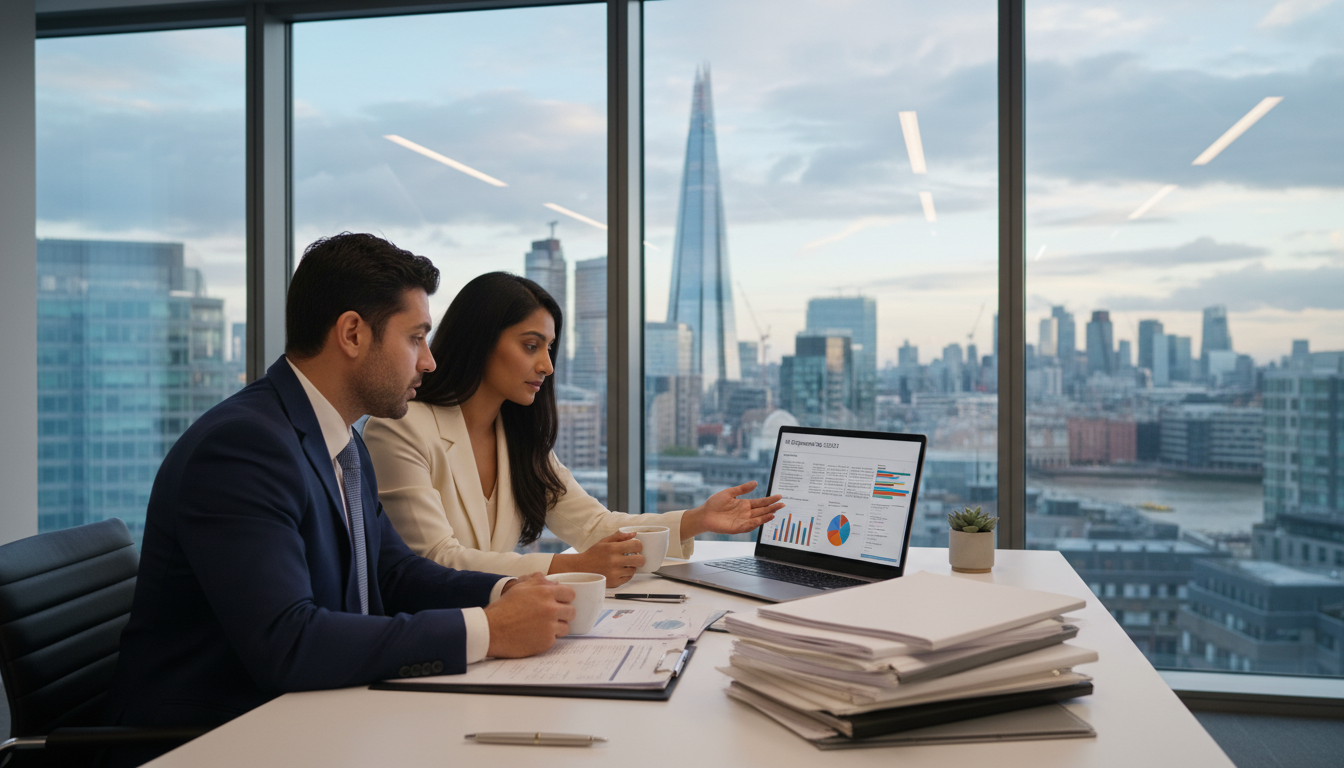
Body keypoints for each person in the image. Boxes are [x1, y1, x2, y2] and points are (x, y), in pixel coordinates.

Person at [109, 235, 574, 740]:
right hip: (217, 737)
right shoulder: (243, 447)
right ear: (352, 333)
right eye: (416, 338)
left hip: (319, 719)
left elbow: (393, 573)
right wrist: (489, 630)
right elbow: (289, 642)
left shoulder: (341, 440)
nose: (429, 362)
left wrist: (510, 591)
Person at [363, 272, 783, 587]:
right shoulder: (401, 429)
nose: (547, 366)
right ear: (480, 341)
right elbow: (438, 561)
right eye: (531, 346)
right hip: (439, 635)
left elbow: (595, 528)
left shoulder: (519, 439)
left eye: (549, 348)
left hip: (502, 628)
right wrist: (574, 566)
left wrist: (696, 519)